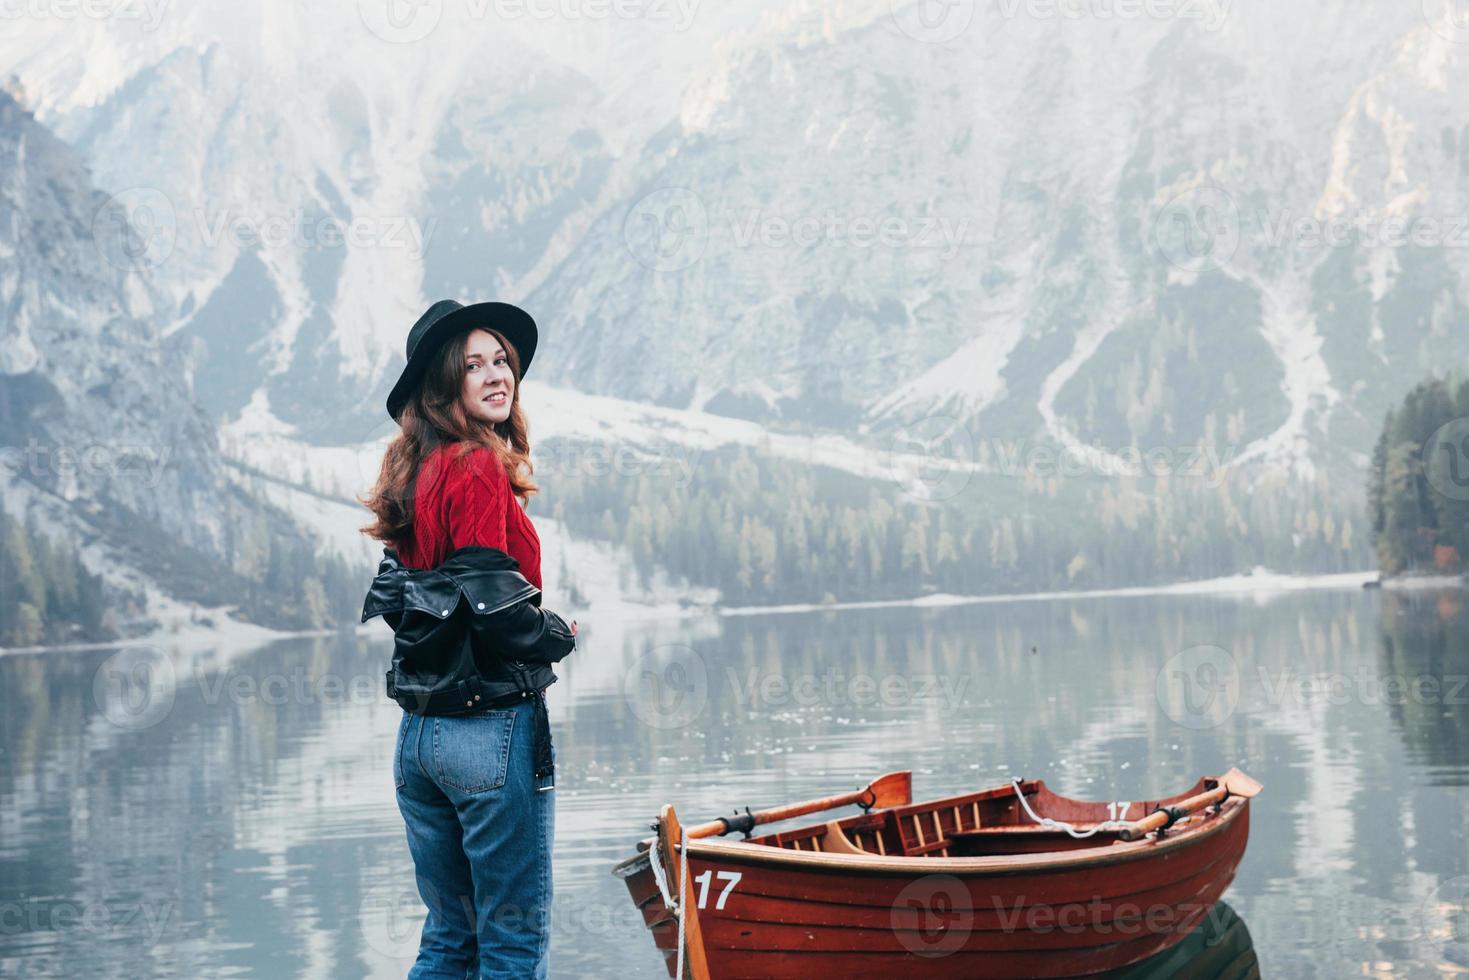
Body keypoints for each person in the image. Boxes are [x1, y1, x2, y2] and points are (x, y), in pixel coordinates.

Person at [358, 299, 578, 978]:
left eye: (500, 361)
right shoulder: (475, 465)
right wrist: (557, 634)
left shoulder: (410, 475)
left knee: (450, 936)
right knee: (511, 942)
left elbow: (401, 607)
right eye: (472, 365)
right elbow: (496, 608)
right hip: (488, 732)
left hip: (420, 742)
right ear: (442, 386)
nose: (494, 375)